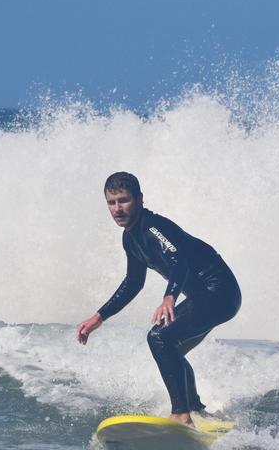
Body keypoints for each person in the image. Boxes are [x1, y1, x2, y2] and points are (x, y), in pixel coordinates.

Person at [76, 172, 241, 425]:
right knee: (171, 348)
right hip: (207, 297)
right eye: (111, 202)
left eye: (124, 200)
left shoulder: (155, 228)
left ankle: (181, 414)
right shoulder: (130, 238)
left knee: (159, 337)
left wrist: (169, 297)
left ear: (140, 199)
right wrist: (100, 316)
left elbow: (180, 262)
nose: (117, 209)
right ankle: (195, 409)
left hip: (219, 293)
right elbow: (134, 282)